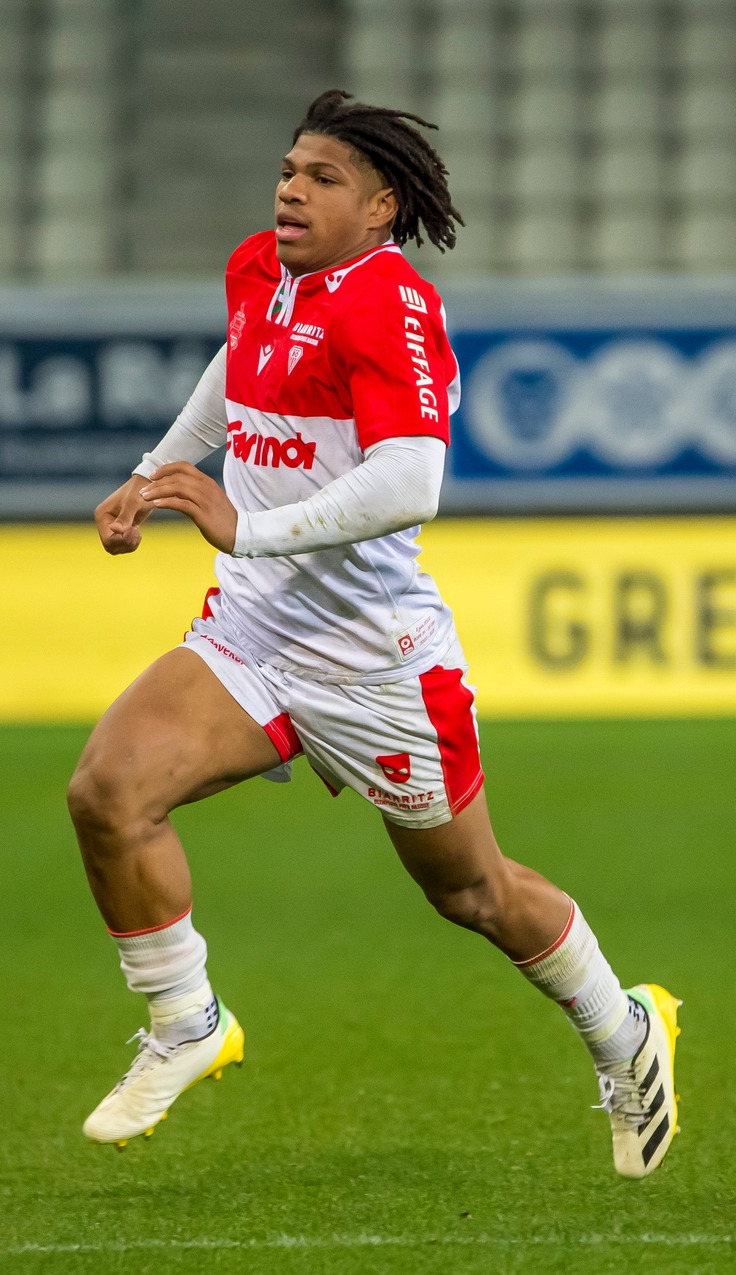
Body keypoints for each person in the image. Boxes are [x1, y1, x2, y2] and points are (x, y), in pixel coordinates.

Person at [66, 90, 682, 1178]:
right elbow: (234, 368)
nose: (289, 189)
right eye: (288, 168)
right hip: (256, 628)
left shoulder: (387, 302)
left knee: (471, 892)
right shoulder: (260, 267)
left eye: (322, 178)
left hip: (372, 652)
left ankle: (623, 1029)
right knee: (107, 792)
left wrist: (242, 524)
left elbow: (412, 479)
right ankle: (184, 1021)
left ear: (380, 205)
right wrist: (156, 473)